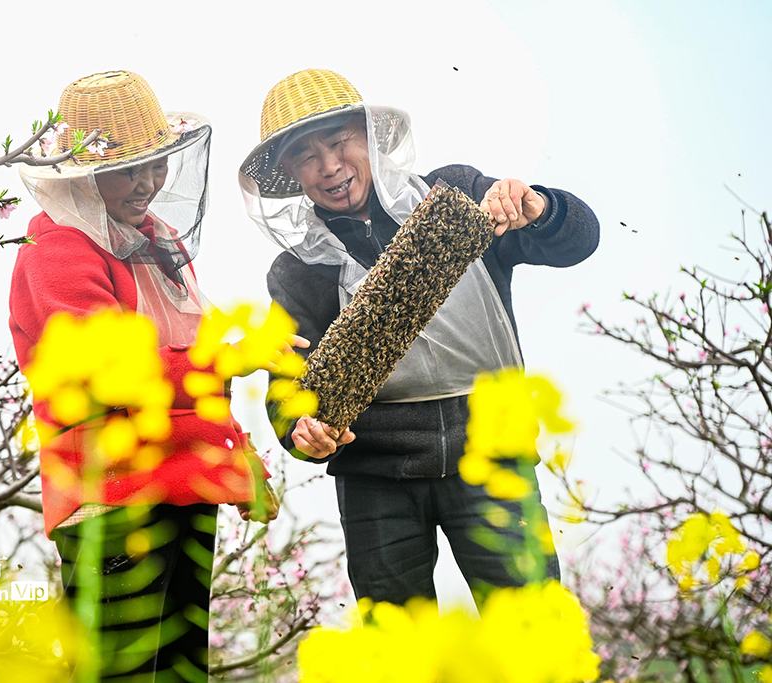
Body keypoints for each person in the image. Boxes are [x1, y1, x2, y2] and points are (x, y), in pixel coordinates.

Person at [239, 68, 599, 607]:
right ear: (291, 174)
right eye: (307, 157)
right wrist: (303, 432)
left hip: (493, 455)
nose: (331, 166)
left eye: (339, 142)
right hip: (376, 480)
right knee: (398, 649)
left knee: (531, 631)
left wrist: (538, 208)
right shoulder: (297, 270)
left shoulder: (455, 194)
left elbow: (578, 240)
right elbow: (286, 393)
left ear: (370, 137)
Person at [9, 71, 276, 682]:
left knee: (181, 670)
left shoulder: (158, 242)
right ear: (81, 172)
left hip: (185, 482)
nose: (148, 183)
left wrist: (237, 452)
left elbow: (195, 359)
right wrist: (233, 358)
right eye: (129, 169)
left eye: (154, 165)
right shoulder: (59, 253)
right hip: (110, 494)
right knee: (117, 671)